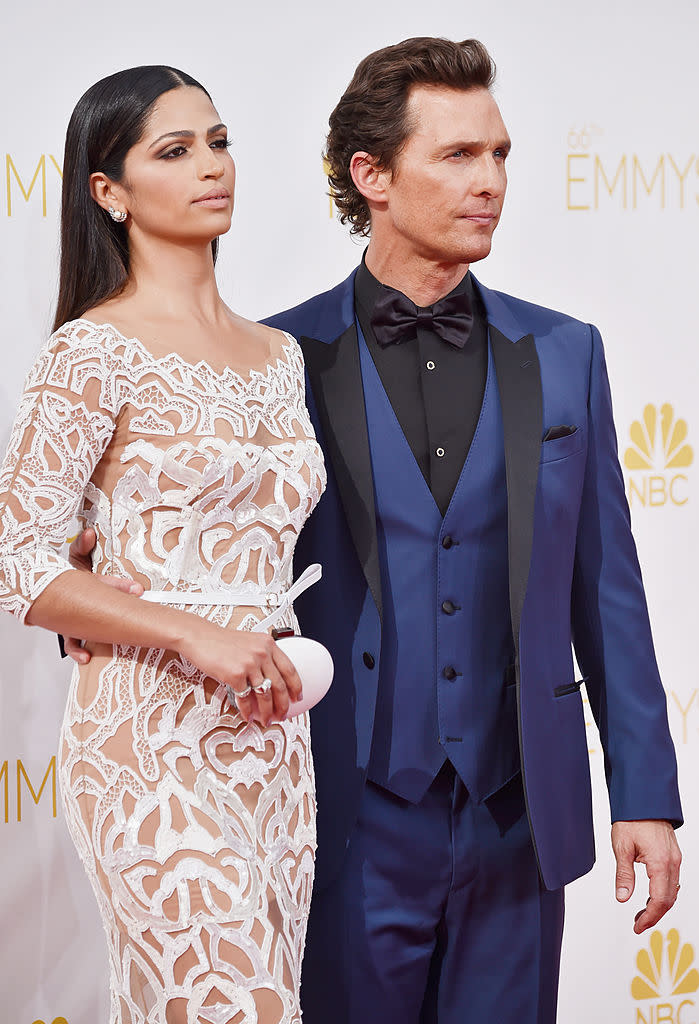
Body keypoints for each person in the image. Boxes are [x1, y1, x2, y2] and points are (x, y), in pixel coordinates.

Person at [65, 38, 683, 1024]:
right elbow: (175, 521)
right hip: (339, 811)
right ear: (372, 175)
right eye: (457, 157)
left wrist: (645, 791)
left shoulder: (566, 354)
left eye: (500, 155)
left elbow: (606, 588)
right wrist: (95, 572)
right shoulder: (273, 358)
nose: (491, 183)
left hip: (519, 818)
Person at [0, 66, 325, 1024]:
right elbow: (19, 562)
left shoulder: (280, 357)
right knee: (243, 1005)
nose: (211, 167)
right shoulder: (89, 351)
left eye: (218, 142)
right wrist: (190, 634)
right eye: (174, 151)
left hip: (272, 737)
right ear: (108, 192)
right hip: (148, 737)